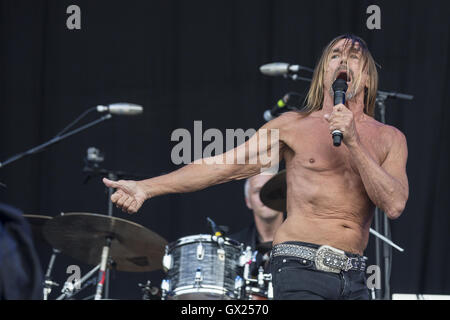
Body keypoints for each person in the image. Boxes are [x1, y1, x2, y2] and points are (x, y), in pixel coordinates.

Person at [103, 34, 409, 300]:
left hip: (354, 275)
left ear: (367, 77)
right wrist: (146, 187)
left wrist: (353, 141)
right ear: (323, 73)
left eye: (353, 56)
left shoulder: (389, 139)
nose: (344, 60)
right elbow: (221, 166)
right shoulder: (293, 126)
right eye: (335, 55)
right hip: (300, 267)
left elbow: (394, 204)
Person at [229, 173, 284, 277]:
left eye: (272, 189)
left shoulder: (305, 241)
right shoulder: (233, 248)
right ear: (248, 201)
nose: (266, 196)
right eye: (258, 191)